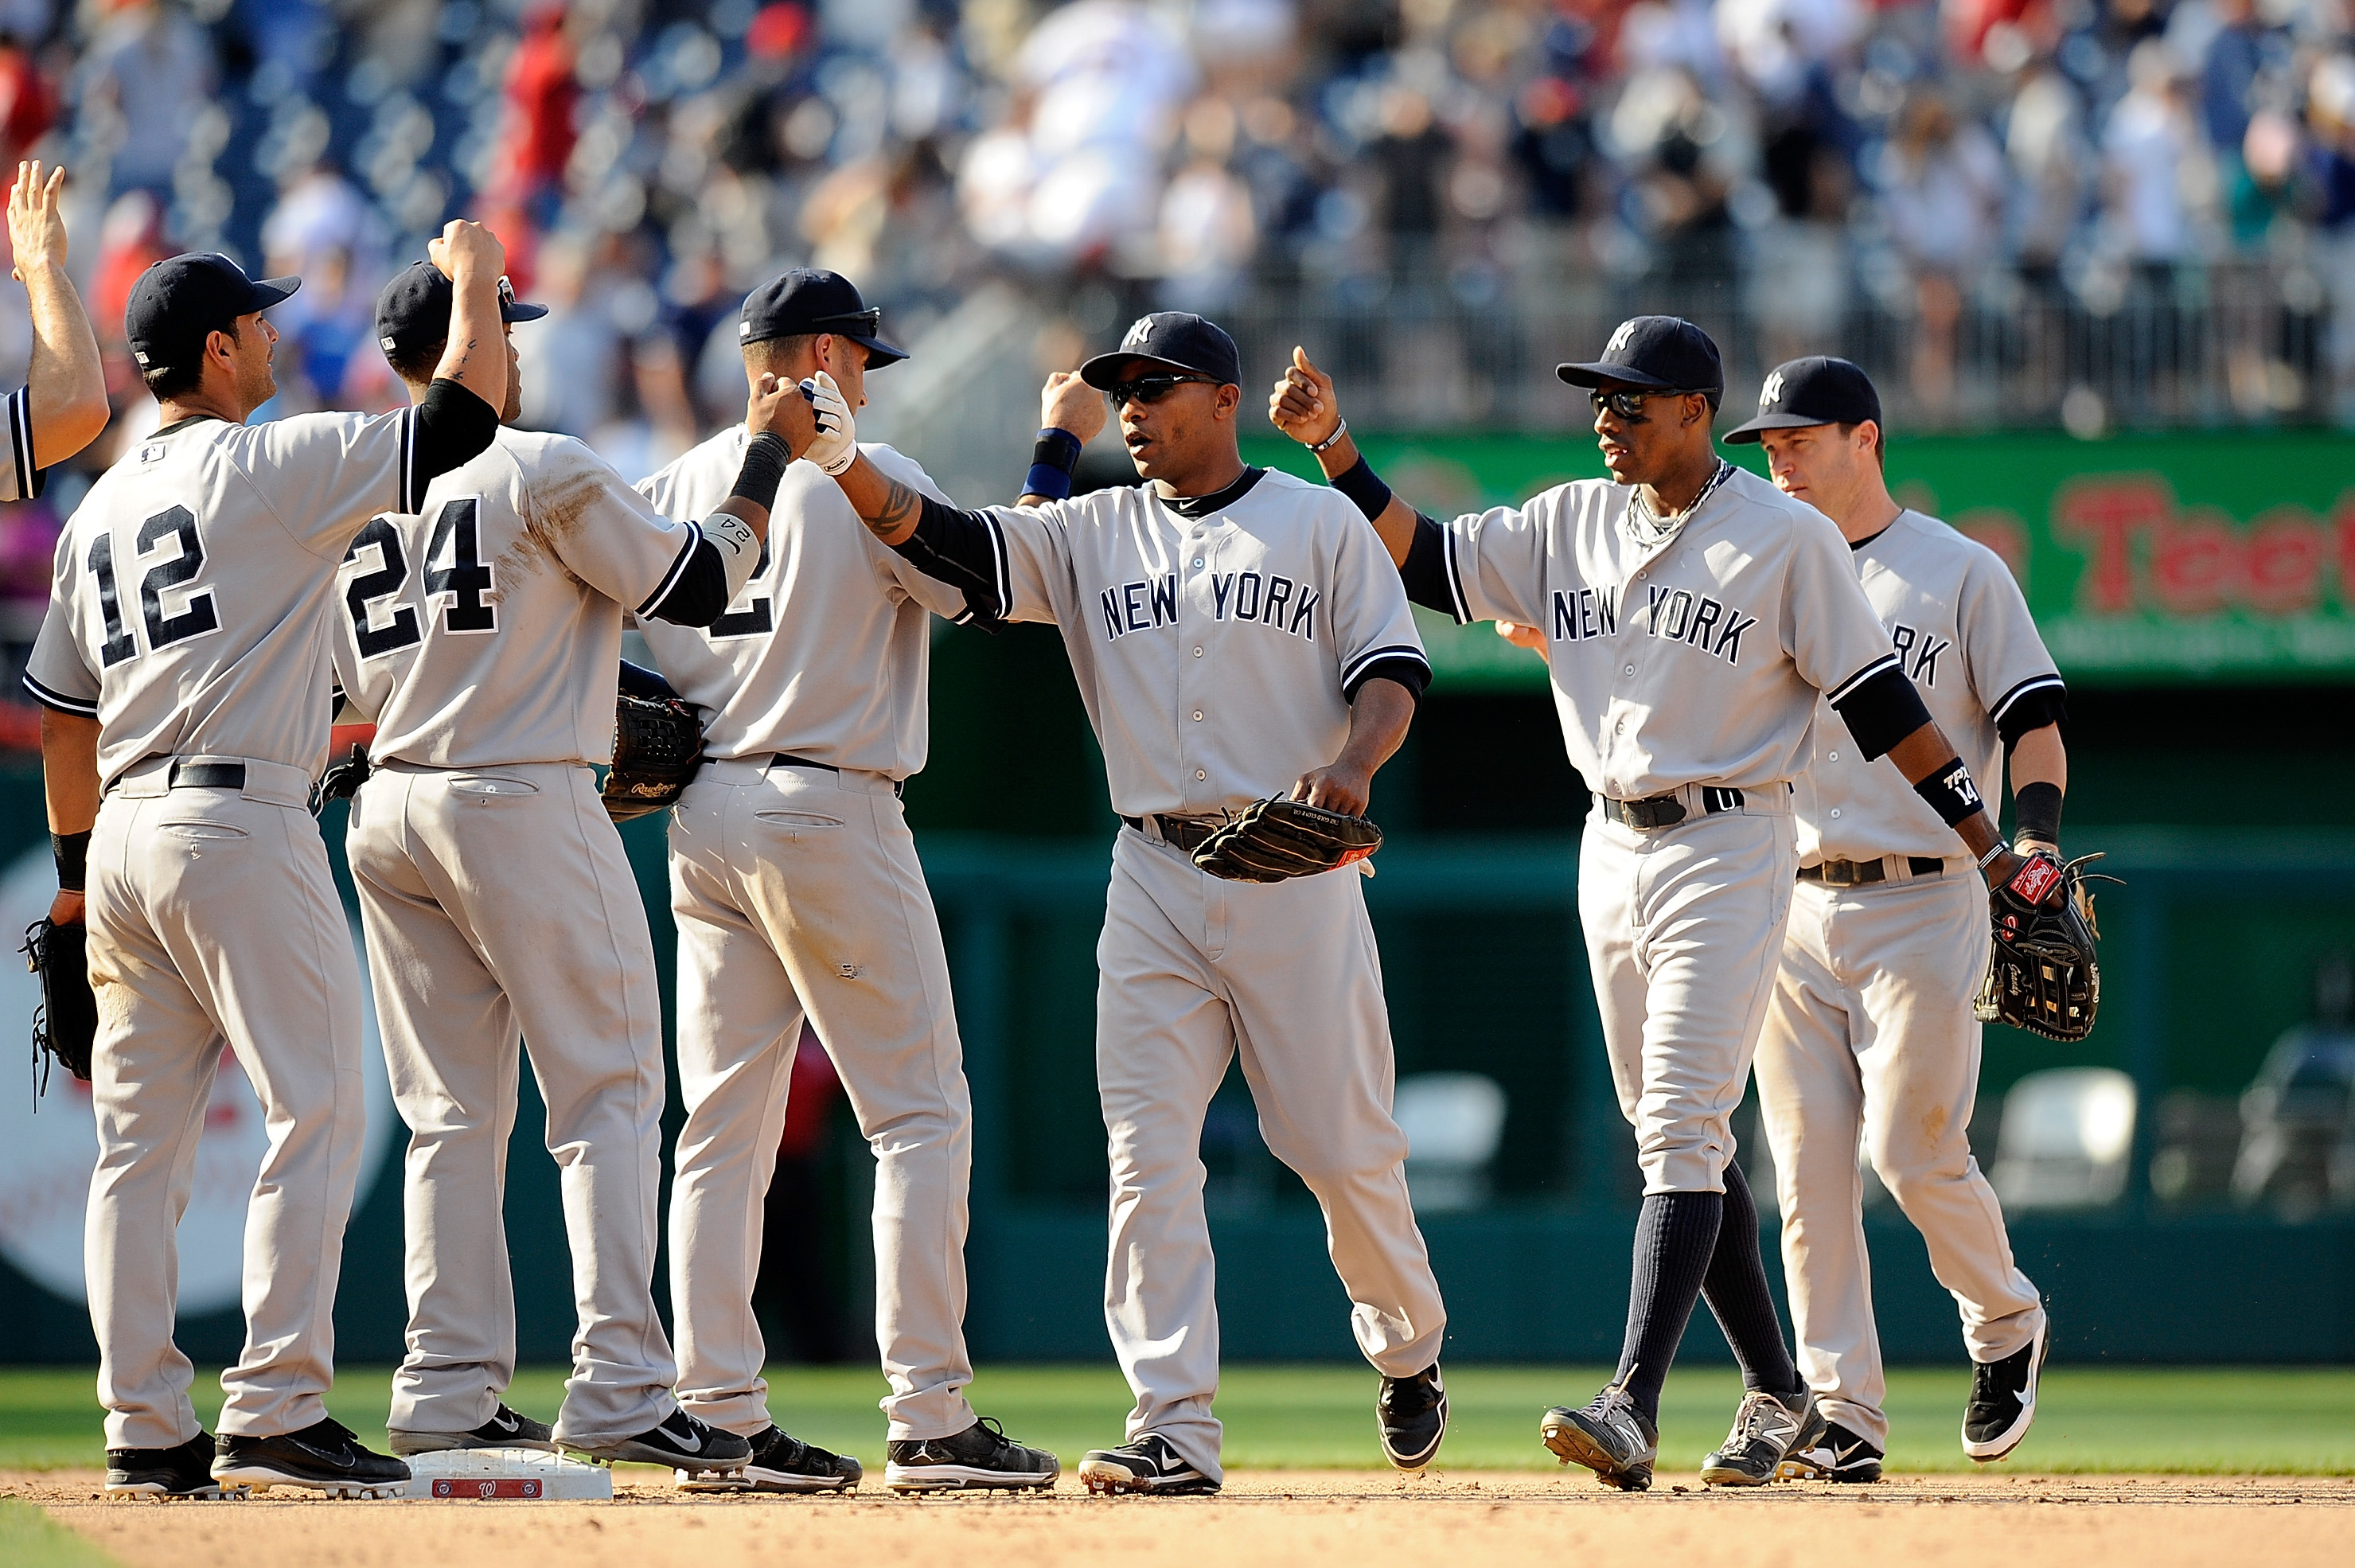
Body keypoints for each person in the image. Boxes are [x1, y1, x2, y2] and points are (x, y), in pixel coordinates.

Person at [1269, 318, 2068, 1491]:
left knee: (1716, 1130)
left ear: (1697, 411)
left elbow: (1889, 705)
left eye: (1633, 399)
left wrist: (1999, 850)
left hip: (1737, 839)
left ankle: (1632, 1398)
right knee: (1688, 1138)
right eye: (1599, 396)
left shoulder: (1788, 538)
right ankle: (1789, 1390)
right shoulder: (1566, 519)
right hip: (1612, 841)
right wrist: (1335, 443)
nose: (1608, 416)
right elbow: (1430, 562)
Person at [780, 311, 1449, 1495]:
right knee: (1147, 1155)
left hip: (1295, 869)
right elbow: (961, 555)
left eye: (1157, 387)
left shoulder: (1315, 520)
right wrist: (847, 465)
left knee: (1341, 1152)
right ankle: (1172, 1426)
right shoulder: (1092, 529)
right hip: (1151, 869)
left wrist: (1354, 763)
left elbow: (1392, 672)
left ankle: (1406, 1347)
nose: (1132, 407)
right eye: (1120, 389)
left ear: (1225, 398)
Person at [25, 220, 510, 1499]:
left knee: (136, 1146)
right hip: (238, 820)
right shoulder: (265, 465)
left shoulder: (95, 509)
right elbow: (457, 423)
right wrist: (469, 279)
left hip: (124, 837)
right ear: (220, 347)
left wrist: (73, 886)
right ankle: (278, 1402)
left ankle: (142, 1421)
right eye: (260, 320)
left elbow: (63, 721)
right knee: (320, 1104)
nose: (278, 336)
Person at [326, 259, 797, 1480]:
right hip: (519, 790)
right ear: (476, 343)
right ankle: (625, 1383)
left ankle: (442, 1383)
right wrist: (764, 456)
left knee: (449, 1115)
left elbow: (331, 684)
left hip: (388, 801)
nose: (522, 350)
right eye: (505, 328)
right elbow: (702, 576)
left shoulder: (350, 490)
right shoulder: (541, 464)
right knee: (610, 1093)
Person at [636, 268, 1039, 1494]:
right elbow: (988, 589)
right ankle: (931, 1410)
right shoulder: (868, 474)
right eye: (860, 356)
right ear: (816, 354)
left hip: (702, 811)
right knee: (919, 1115)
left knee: (720, 1128)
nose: (866, 377)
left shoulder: (669, 485)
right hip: (832, 799)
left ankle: (717, 1412)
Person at [1724, 357, 2059, 1478]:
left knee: (1910, 1152)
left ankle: (2005, 1318)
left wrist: (2041, 839)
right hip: (1793, 899)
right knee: (1808, 1171)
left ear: (1865, 439)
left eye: (1800, 441)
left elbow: (2033, 715)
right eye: (1766, 447)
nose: (1779, 463)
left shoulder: (1956, 570)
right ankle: (1844, 1411)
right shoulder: (1761, 569)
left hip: (1926, 896)